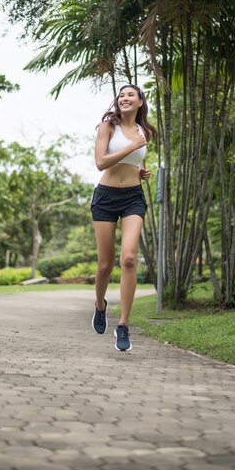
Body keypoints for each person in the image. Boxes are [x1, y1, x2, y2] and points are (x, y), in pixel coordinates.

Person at [91, 84, 156, 351]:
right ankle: (100, 304)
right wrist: (131, 147)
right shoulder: (107, 126)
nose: (124, 98)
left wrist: (139, 171)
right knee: (105, 265)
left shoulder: (146, 132)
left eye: (131, 95)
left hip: (133, 198)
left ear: (140, 102)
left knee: (128, 258)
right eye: (121, 95)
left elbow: (136, 160)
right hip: (105, 197)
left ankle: (124, 326)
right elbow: (101, 162)